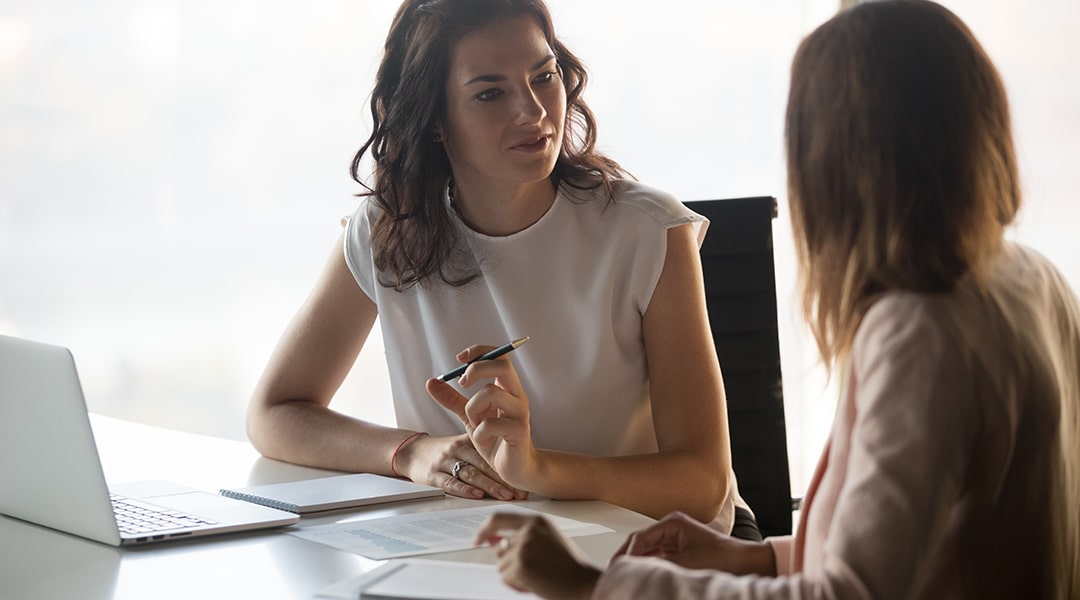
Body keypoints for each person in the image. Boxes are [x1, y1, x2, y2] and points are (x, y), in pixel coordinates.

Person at [473, 1, 1080, 597]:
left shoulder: (919, 332)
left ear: (832, 161)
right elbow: (933, 550)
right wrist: (757, 559)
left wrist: (590, 584)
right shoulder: (1032, 280)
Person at [247, 0, 758, 535]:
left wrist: (538, 469)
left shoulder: (647, 230)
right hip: (480, 544)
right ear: (436, 121)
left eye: (544, 76)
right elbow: (276, 412)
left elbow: (703, 486)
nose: (533, 111)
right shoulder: (387, 227)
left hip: (661, 544)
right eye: (491, 93)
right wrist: (412, 453)